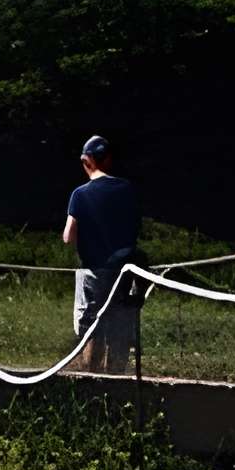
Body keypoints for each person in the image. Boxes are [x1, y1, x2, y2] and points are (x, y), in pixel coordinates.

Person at [64, 133, 143, 373]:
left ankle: (92, 382)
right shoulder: (127, 188)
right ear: (108, 159)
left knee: (92, 327)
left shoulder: (80, 194)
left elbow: (68, 237)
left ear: (86, 161)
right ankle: (117, 382)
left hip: (93, 274)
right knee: (119, 328)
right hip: (123, 273)